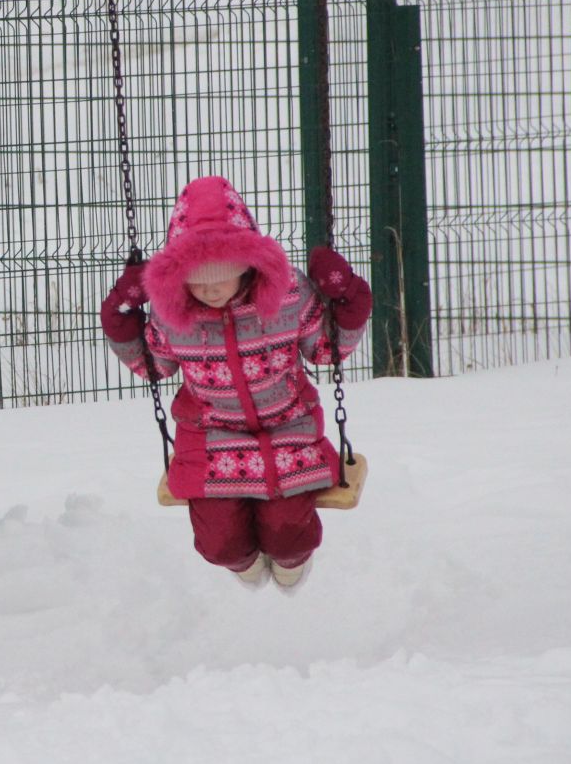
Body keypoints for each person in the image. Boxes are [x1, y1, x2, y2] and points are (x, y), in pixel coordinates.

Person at [99, 175, 372, 591]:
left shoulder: (288, 295)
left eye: (221, 275)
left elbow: (326, 351)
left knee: (288, 534)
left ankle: (292, 567)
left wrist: (348, 300)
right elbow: (154, 366)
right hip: (210, 436)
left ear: (247, 265)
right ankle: (246, 570)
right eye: (197, 278)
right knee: (220, 543)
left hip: (288, 429)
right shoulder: (174, 314)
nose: (209, 289)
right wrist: (121, 323)